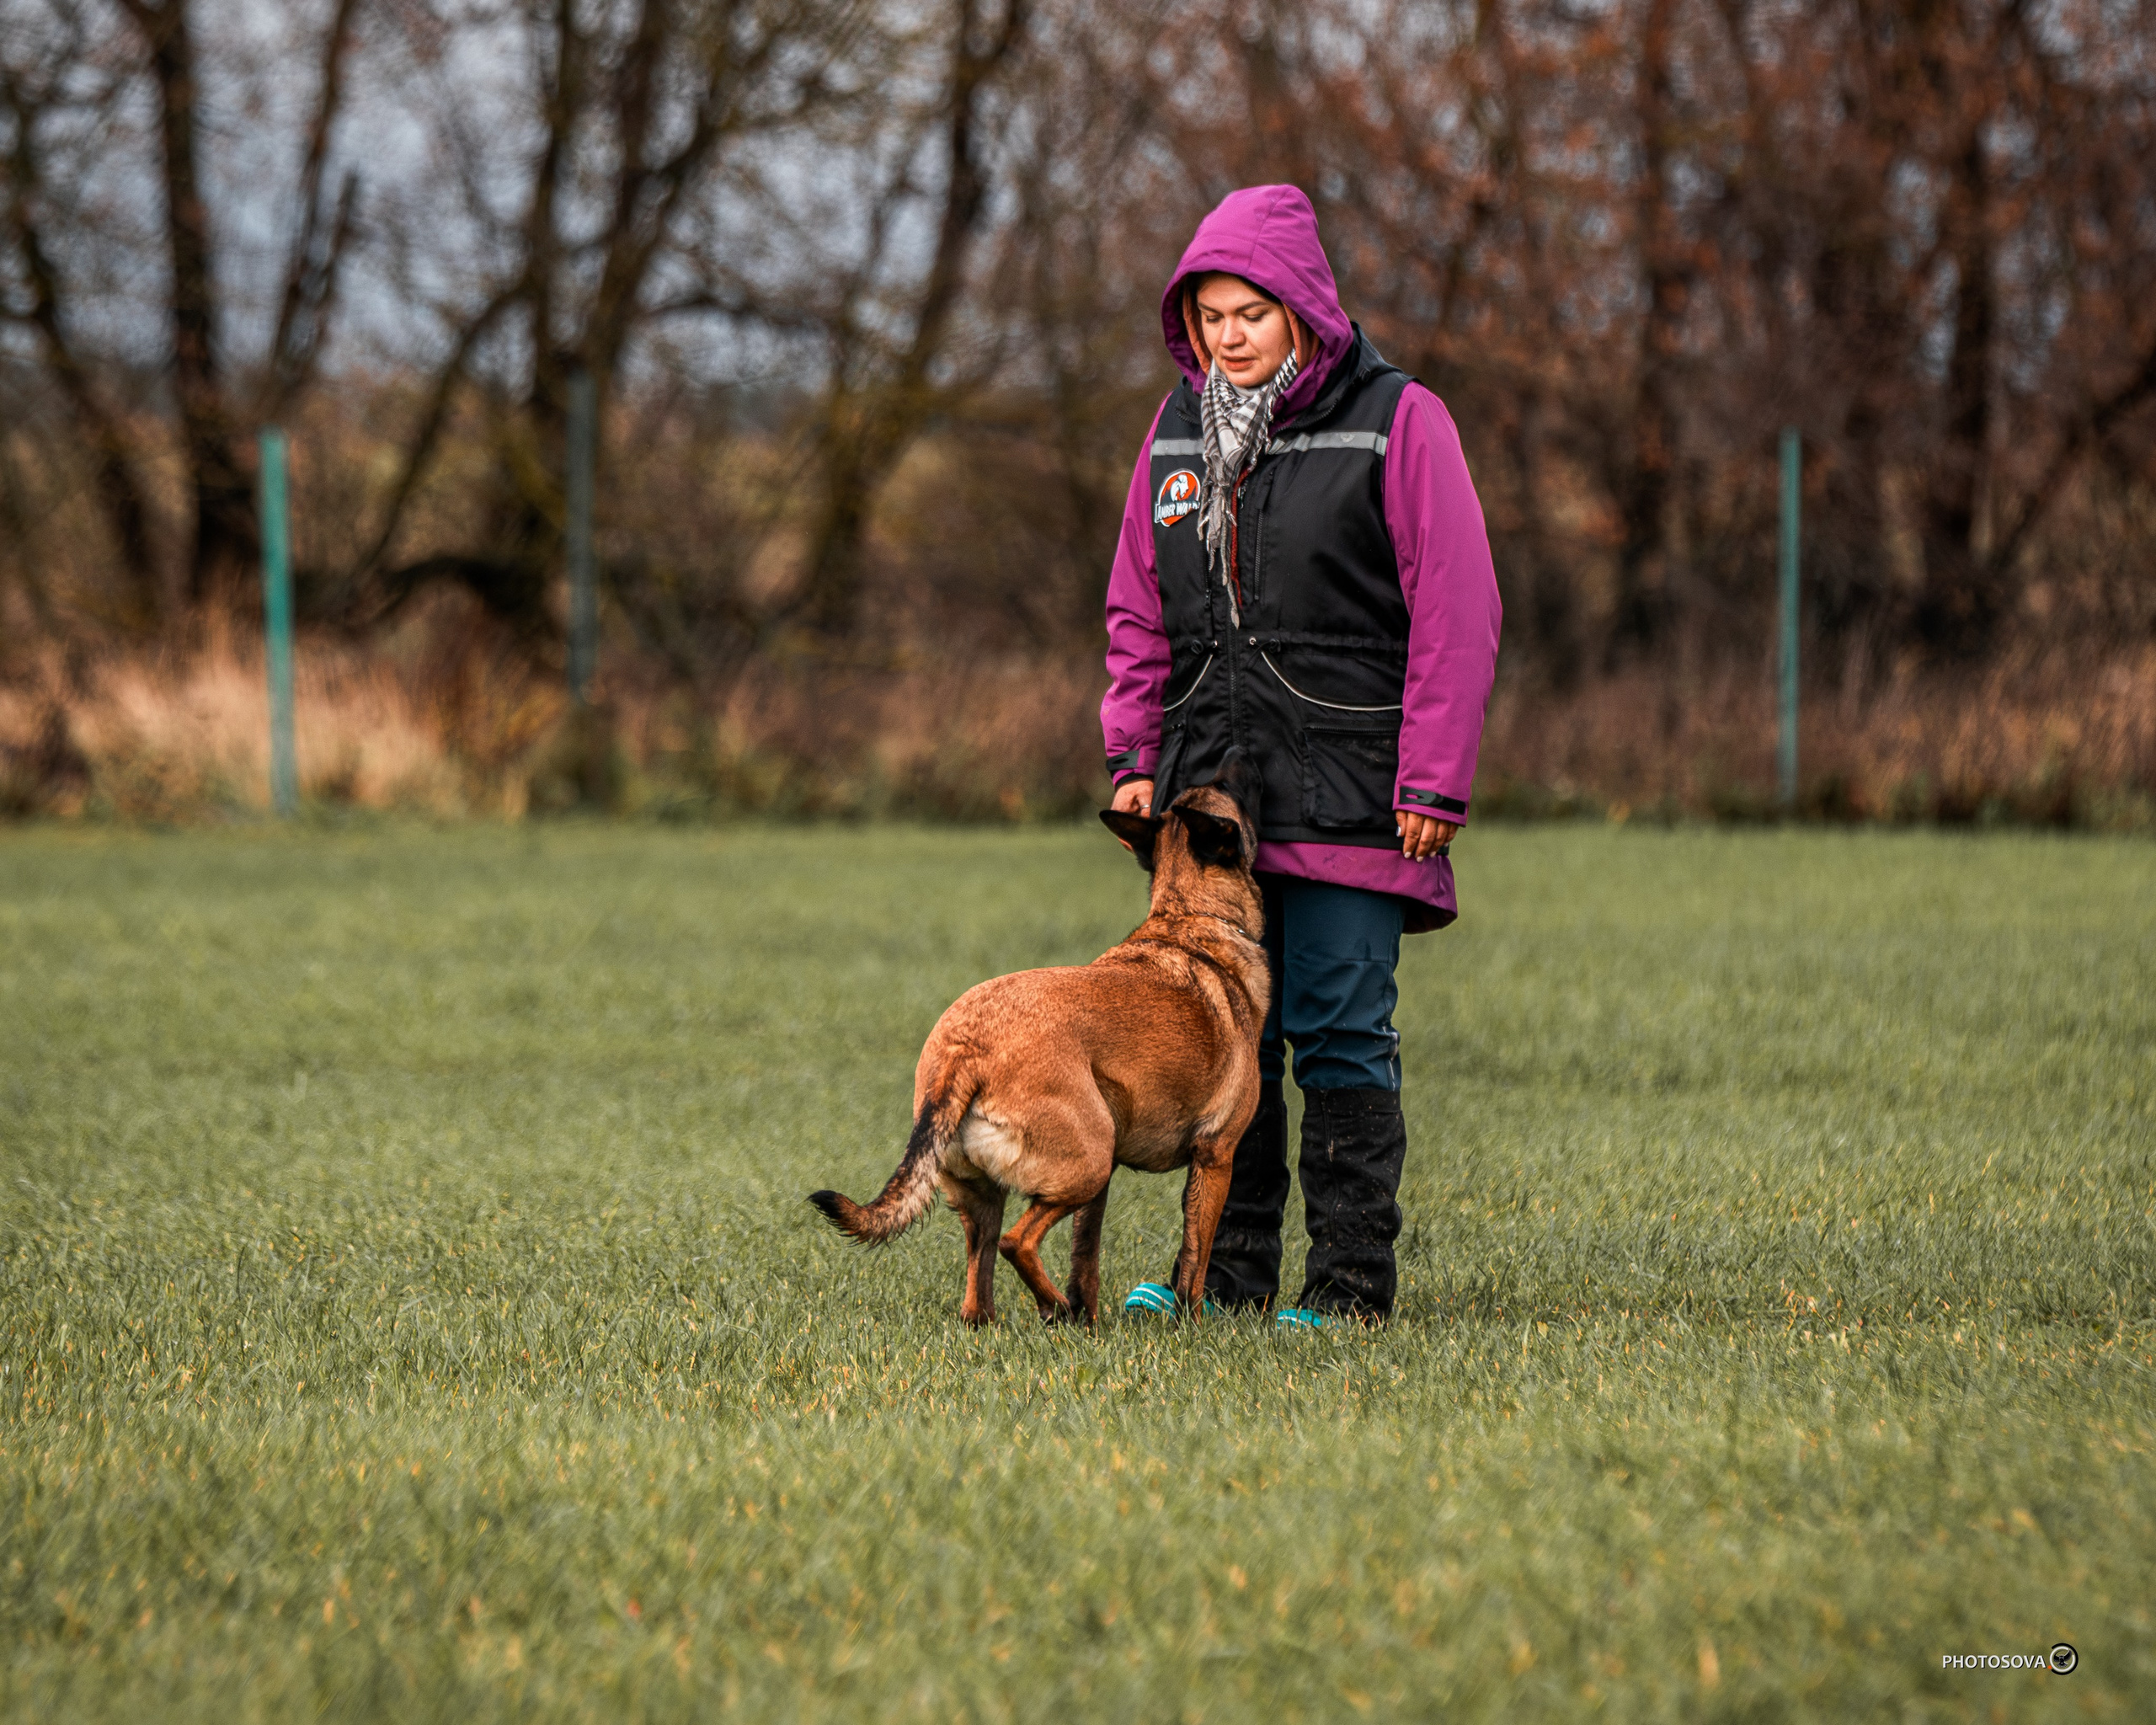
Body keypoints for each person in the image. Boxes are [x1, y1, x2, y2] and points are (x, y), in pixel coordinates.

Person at [1101, 184, 1502, 1329]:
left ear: (1306, 312)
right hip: (1214, 796)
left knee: (1335, 1027)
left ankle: (1348, 1288)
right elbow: (1139, 612)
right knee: (1229, 1032)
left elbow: (1459, 613)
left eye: (1251, 313)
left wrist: (1432, 778)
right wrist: (1135, 754)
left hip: (1355, 789)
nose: (1227, 336)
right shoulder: (1175, 433)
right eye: (1210, 315)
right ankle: (1224, 1285)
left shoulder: (1399, 420)